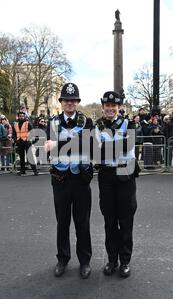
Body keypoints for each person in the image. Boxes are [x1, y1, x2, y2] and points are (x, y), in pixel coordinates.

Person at [45, 83, 94, 279]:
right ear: (62, 102)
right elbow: (46, 147)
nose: (70, 103)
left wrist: (59, 144)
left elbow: (87, 144)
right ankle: (62, 258)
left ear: (77, 102)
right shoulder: (52, 123)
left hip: (81, 179)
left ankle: (85, 261)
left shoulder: (86, 122)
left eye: (73, 100)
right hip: (60, 179)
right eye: (67, 100)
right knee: (62, 222)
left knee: (82, 223)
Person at [95, 91, 138, 278]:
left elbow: (127, 147)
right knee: (109, 221)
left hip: (124, 174)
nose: (110, 109)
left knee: (126, 220)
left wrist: (106, 149)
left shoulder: (130, 124)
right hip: (106, 175)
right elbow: (96, 153)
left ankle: (125, 261)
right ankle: (112, 260)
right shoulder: (97, 126)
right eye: (107, 106)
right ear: (103, 107)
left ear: (119, 107)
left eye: (114, 106)